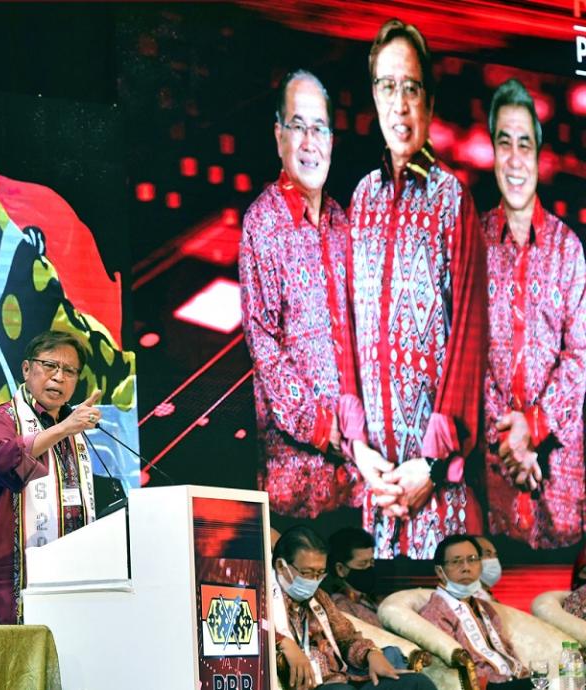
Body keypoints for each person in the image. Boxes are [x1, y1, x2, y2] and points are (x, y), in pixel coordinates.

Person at [348, 18, 487, 559]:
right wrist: (359, 450)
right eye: (387, 87)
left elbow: (470, 342)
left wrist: (430, 466)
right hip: (377, 486)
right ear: (374, 97)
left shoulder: (454, 200)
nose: (400, 105)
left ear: (429, 100)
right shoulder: (361, 199)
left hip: (434, 488)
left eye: (412, 88)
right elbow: (349, 333)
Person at [239, 69, 368, 519]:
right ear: (279, 137)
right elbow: (264, 346)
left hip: (356, 467)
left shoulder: (342, 221)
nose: (309, 141)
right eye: (298, 126)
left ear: (332, 139)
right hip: (297, 471)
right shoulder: (263, 221)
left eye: (319, 128)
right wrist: (324, 428)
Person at [482, 78, 586, 550]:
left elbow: (580, 358)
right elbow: (465, 359)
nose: (515, 157)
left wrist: (533, 429)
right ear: (492, 152)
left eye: (525, 143)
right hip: (494, 485)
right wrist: (510, 443)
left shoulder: (569, 249)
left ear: (540, 155)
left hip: (558, 480)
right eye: (505, 142)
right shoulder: (474, 243)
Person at [0, 330, 101, 624]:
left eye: (69, 371)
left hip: (72, 576)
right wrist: (63, 428)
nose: (58, 377)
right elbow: (2, 461)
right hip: (14, 578)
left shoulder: (71, 428)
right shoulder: (4, 419)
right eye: (50, 365)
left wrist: (67, 427)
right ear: (27, 369)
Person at [272, 526, 435, 690]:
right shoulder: (264, 597)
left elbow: (346, 637)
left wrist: (371, 653)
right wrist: (284, 642)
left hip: (345, 678)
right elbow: (254, 632)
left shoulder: (319, 597)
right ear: (281, 566)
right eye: (307, 572)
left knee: (418, 683)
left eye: (320, 573)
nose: (314, 580)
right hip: (312, 686)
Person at [420, 535, 529, 690]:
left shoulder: (485, 607)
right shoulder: (435, 612)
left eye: (472, 559)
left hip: (512, 681)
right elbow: (449, 666)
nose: (466, 567)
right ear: (439, 571)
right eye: (456, 561)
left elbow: (506, 649)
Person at [322, 528, 380, 628]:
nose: (369, 568)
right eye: (362, 564)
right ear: (340, 569)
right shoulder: (340, 608)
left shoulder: (365, 599)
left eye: (371, 562)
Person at [474, 536, 502, 601]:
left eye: (495, 555)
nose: (494, 560)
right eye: (488, 554)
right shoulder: (470, 599)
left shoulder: (488, 597)